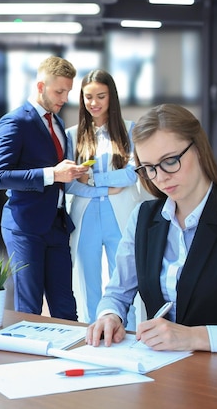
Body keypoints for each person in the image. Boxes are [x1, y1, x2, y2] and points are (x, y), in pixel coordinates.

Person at [86, 104, 217, 355]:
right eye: (149, 168)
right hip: (157, 372)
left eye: (170, 161)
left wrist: (195, 337)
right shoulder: (143, 218)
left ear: (199, 149)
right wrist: (110, 315)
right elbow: (118, 292)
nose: (160, 177)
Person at [0, 56, 88, 319]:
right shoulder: (14, 122)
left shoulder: (57, 123)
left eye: (68, 91)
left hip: (56, 225)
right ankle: (28, 360)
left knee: (65, 307)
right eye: (59, 91)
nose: (65, 98)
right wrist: (52, 174)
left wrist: (72, 173)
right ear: (41, 86)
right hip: (25, 227)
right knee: (29, 307)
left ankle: (70, 360)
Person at [65, 69, 147, 325]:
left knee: (123, 279)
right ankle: (92, 332)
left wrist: (92, 179)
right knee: (88, 282)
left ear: (112, 97)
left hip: (120, 214)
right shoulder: (72, 134)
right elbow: (69, 185)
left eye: (100, 96)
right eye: (88, 97)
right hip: (85, 216)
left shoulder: (130, 131)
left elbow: (131, 175)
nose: (94, 103)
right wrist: (104, 189)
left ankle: (129, 332)